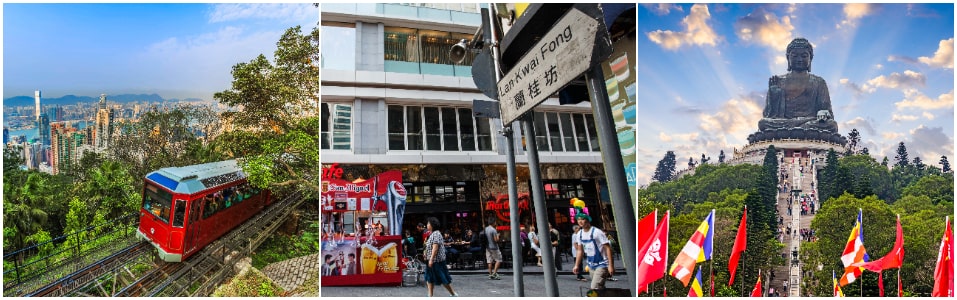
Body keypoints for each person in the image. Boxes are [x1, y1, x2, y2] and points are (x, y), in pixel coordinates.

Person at [758, 38, 838, 133]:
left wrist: (823, 112)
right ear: (788, 58)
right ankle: (798, 130)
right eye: (795, 56)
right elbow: (769, 115)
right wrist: (774, 96)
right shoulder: (778, 81)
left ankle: (796, 130)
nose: (799, 60)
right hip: (785, 123)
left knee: (831, 125)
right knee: (763, 123)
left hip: (810, 122)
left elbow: (827, 111)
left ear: (810, 58)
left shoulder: (819, 82)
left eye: (804, 56)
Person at [572, 213, 613, 290]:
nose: (580, 221)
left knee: (594, 287)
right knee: (599, 288)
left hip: (602, 264)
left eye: (582, 219)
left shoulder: (597, 232)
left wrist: (610, 265)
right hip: (591, 265)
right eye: (578, 219)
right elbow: (580, 250)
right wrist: (576, 265)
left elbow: (608, 248)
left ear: (588, 221)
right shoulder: (579, 234)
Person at [424, 217, 458, 297]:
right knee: (429, 278)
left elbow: (435, 247)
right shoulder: (432, 234)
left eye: (428, 223)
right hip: (432, 260)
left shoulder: (436, 234)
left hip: (437, 261)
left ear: (432, 225)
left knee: (443, 279)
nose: (427, 225)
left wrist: (431, 259)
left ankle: (453, 294)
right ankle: (430, 295)